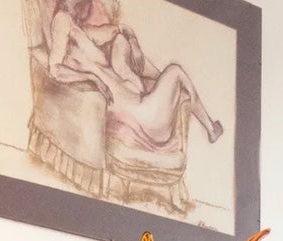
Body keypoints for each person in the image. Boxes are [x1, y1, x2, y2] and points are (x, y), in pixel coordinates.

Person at [48, 0, 223, 148]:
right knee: (175, 71)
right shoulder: (62, 20)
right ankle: (210, 128)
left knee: (121, 42)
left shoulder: (81, 31)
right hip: (143, 118)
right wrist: (92, 77)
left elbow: (120, 29)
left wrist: (134, 44)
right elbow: (55, 69)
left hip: (145, 112)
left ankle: (208, 126)